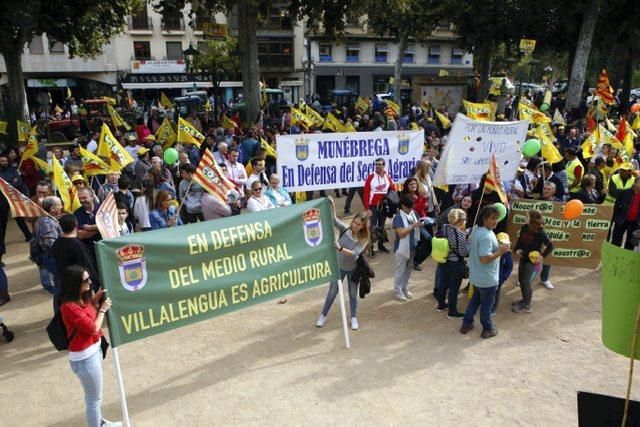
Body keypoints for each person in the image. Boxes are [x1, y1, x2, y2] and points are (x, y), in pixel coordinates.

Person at [58, 265, 120, 427]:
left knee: (93, 397)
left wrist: (94, 300)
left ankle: (100, 422)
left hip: (92, 352)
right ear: (75, 284)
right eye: (86, 280)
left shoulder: (81, 299)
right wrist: (102, 310)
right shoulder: (69, 307)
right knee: (94, 400)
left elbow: (87, 314)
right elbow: (93, 328)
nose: (90, 282)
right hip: (86, 358)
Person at [316, 197, 369, 330]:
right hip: (338, 267)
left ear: (363, 226)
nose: (355, 226)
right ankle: (323, 315)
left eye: (358, 225)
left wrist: (340, 248)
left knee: (352, 293)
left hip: (353, 269)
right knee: (332, 292)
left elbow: (355, 253)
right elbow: (334, 220)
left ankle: (353, 317)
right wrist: (332, 204)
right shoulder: (345, 229)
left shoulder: (364, 239)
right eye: (354, 222)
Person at [460, 205, 510, 339]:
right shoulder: (487, 236)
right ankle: (487, 328)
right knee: (487, 305)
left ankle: (466, 323)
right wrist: (501, 251)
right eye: (492, 218)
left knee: (475, 301)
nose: (496, 221)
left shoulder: (477, 229)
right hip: (487, 279)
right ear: (484, 219)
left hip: (477, 277)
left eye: (497, 218)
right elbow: (484, 258)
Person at [512, 209, 554, 313]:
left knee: (526, 282)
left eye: (527, 217)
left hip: (532, 262)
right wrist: (516, 249)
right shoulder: (524, 227)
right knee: (521, 280)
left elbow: (550, 245)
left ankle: (527, 306)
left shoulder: (540, 232)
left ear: (533, 219)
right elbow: (519, 240)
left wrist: (542, 256)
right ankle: (524, 300)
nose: (525, 218)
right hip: (523, 258)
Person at [52, 214, 101, 299]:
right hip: (80, 287)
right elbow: (88, 267)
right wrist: (93, 288)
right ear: (76, 226)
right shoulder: (78, 246)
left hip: (66, 284)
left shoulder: (57, 243)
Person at [435, 208, 469, 317]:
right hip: (455, 264)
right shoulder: (460, 235)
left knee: (443, 285)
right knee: (454, 288)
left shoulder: (444, 227)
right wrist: (469, 241)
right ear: (460, 221)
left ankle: (441, 305)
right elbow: (463, 252)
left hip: (443, 260)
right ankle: (452, 312)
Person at [363, 157, 396, 254]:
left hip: (383, 207)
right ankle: (371, 248)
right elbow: (366, 193)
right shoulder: (370, 177)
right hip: (373, 207)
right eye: (376, 164)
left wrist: (391, 203)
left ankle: (381, 246)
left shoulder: (387, 177)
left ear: (384, 166)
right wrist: (367, 208)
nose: (377, 166)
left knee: (381, 227)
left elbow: (392, 190)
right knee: (372, 228)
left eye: (379, 164)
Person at [392, 196, 421, 301]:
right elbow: (400, 233)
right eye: (408, 208)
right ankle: (397, 291)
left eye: (412, 207)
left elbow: (419, 223)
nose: (410, 209)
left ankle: (404, 288)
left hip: (412, 247)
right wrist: (412, 226)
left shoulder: (413, 214)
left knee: (408, 270)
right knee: (400, 271)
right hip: (401, 249)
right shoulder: (398, 217)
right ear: (403, 206)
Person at [34, 196, 63, 295]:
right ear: (52, 209)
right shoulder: (48, 223)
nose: (62, 206)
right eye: (59, 205)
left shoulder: (42, 219)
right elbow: (52, 244)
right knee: (59, 286)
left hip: (49, 257)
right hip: (53, 258)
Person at [611, 176, 640, 250]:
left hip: (634, 223)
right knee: (616, 242)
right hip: (621, 220)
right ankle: (613, 258)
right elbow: (616, 206)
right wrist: (616, 219)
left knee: (630, 245)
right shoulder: (625, 192)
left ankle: (626, 261)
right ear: (635, 183)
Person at [74, 187, 101, 262]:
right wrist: (101, 228)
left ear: (92, 196)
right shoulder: (77, 214)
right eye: (80, 198)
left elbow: (111, 225)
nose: (82, 200)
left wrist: (89, 227)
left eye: (84, 197)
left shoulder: (102, 208)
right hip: (88, 252)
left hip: (104, 249)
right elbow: (79, 234)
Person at [492, 232, 514, 315]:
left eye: (505, 243)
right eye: (501, 243)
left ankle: (494, 308)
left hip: (499, 278)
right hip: (490, 276)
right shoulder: (493, 250)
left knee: (496, 293)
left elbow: (509, 267)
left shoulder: (507, 254)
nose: (503, 245)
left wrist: (504, 277)